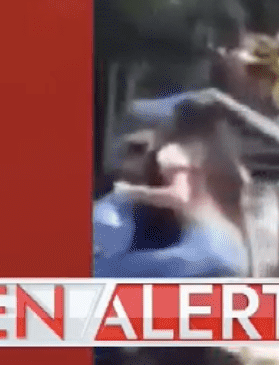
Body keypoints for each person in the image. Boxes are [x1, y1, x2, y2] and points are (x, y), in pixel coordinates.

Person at [95, 99, 252, 280]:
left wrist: (131, 192)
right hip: (232, 246)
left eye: (139, 148)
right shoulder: (220, 156)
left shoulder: (176, 151)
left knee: (107, 270)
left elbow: (179, 197)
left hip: (204, 248)